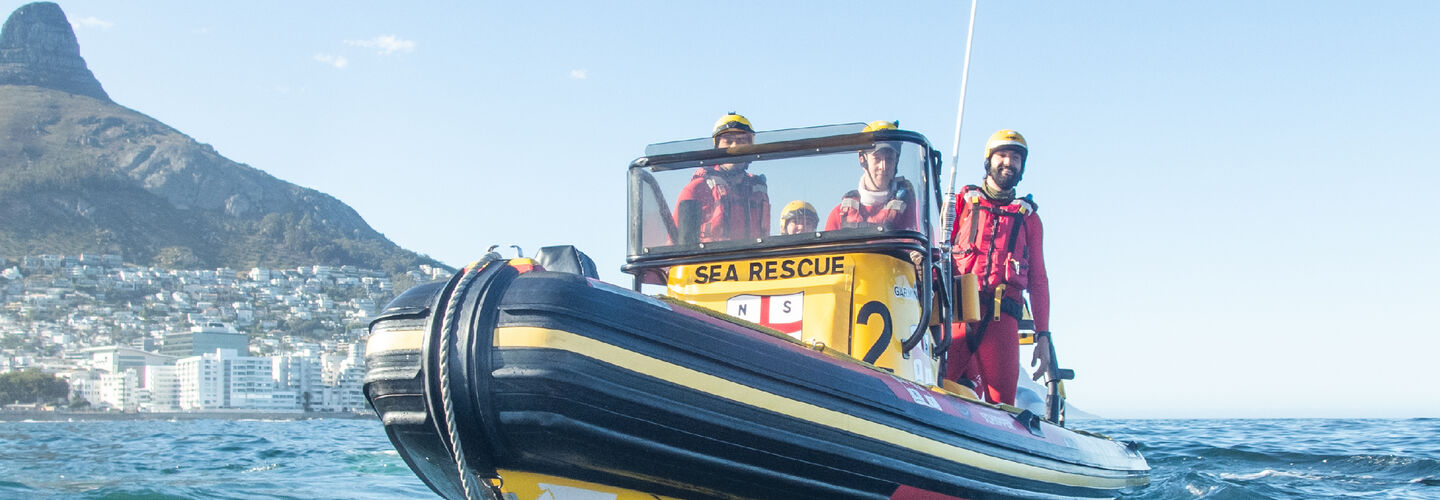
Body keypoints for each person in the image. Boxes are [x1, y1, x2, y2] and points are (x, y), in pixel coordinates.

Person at [944, 129, 1051, 406]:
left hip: (1002, 320)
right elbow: (938, 255)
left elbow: (1038, 281)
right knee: (934, 387)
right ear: (988, 161)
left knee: (1003, 404)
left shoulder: (1030, 220)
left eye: (1015, 158)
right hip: (959, 314)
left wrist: (1043, 335)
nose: (1008, 162)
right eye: (1002, 155)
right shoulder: (961, 204)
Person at [675, 113, 770, 243]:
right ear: (717, 147)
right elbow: (675, 243)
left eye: (741, 141)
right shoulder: (696, 189)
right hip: (709, 261)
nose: (734, 147)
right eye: (728, 141)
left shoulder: (758, 191)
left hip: (755, 260)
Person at [824, 121, 918, 232]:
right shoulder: (838, 215)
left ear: (896, 161)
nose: (883, 166)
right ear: (862, 159)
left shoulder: (914, 212)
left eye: (889, 159)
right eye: (877, 158)